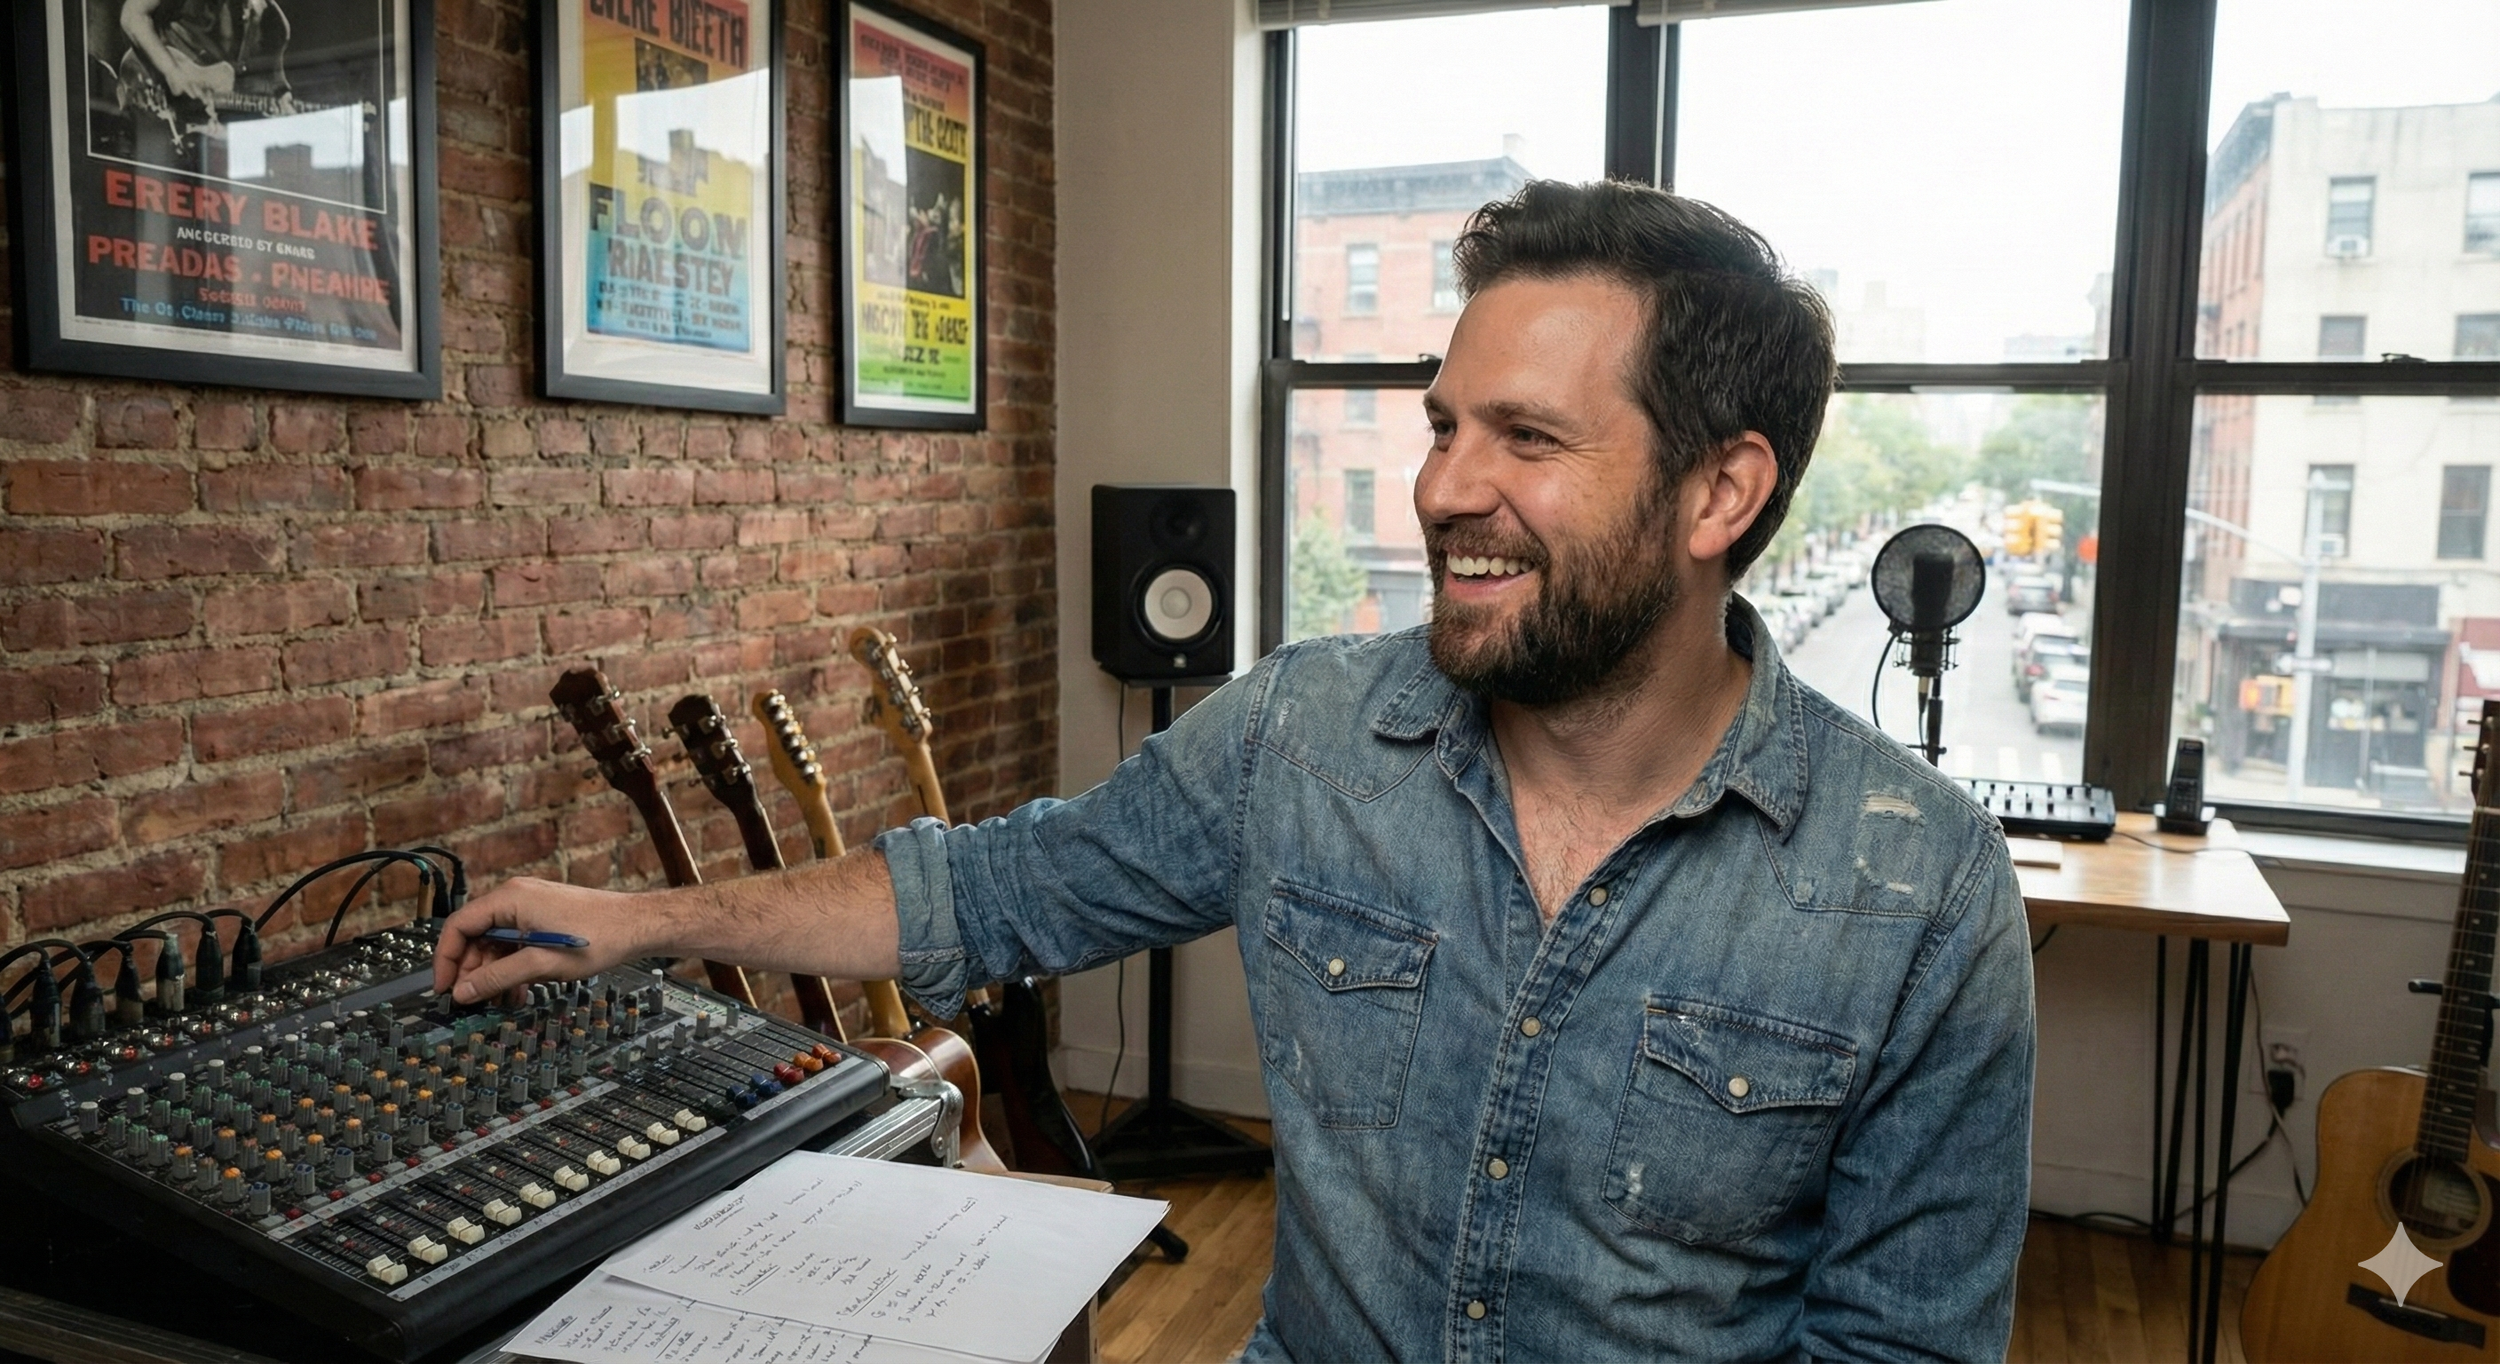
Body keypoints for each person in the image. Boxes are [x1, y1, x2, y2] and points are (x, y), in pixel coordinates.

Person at [436, 180, 2034, 1362]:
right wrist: (652, 919)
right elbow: (991, 890)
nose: (1442, 488)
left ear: (1719, 495)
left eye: (1528, 441)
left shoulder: (1923, 892)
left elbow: (1897, 1352)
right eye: (1441, 424)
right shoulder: (1303, 737)